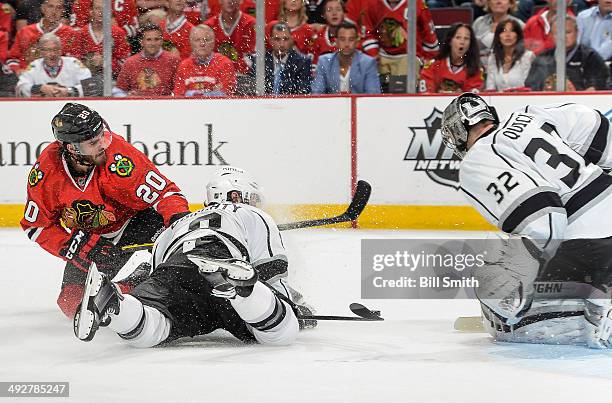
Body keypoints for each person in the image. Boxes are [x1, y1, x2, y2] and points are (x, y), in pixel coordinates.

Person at [440, 93, 612, 348]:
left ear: (456, 132)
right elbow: (598, 129)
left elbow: (546, 221)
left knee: (498, 268)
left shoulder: (476, 161)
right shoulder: (530, 114)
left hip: (591, 245)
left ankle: (597, 307)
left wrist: (516, 291)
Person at [73, 170, 300, 348]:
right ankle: (243, 292)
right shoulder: (251, 214)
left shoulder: (174, 226)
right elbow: (272, 269)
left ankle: (117, 305)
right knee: (281, 332)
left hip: (174, 267)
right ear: (236, 195)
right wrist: (291, 306)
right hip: (220, 256)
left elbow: (158, 272)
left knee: (153, 327)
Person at [20, 102, 190, 319]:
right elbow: (36, 226)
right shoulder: (47, 172)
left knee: (168, 270)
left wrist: (180, 222)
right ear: (72, 148)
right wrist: (76, 247)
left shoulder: (119, 157)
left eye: (103, 135)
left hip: (137, 223)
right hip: (89, 238)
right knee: (71, 303)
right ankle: (125, 295)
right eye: (93, 142)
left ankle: (140, 289)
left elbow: (165, 193)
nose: (103, 144)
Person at [525, 15, 608, 91]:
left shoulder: (590, 57)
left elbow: (598, 87)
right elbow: (530, 86)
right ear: (550, 35)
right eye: (558, 33)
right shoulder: (542, 57)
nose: (563, 37)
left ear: (577, 32)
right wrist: (545, 88)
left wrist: (575, 93)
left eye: (568, 32)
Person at [6, 0, 77, 74]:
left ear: (63, 11)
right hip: (28, 77)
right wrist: (18, 71)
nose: (54, 11)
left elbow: (74, 61)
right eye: (50, 6)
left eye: (59, 8)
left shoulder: (70, 33)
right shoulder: (25, 31)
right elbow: (12, 59)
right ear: (43, 9)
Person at [113, 23, 181, 97]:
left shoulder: (174, 60)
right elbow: (118, 90)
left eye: (156, 39)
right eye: (149, 39)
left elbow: (180, 90)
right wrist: (127, 97)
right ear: (141, 42)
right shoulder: (130, 62)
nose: (153, 43)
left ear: (162, 41)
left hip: (165, 105)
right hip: (137, 106)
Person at [312, 21, 380, 94]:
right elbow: (316, 94)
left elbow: (373, 95)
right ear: (336, 41)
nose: (347, 44)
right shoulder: (324, 62)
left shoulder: (368, 63)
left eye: (351, 40)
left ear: (357, 42)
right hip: (331, 105)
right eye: (342, 39)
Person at [16, 33, 92, 97]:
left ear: (60, 50)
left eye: (55, 49)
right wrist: (39, 88)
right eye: (48, 50)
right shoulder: (34, 66)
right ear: (41, 52)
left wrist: (69, 91)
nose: (52, 54)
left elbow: (90, 85)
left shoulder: (73, 63)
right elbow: (20, 88)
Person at [72, 0, 131, 78]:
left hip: (112, 80)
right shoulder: (81, 33)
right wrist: (89, 62)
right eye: (97, 8)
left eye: (104, 8)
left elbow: (125, 63)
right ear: (91, 12)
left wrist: (105, 62)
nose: (101, 12)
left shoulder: (118, 33)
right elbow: (74, 61)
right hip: (86, 80)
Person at [173, 24, 236, 97]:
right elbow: (178, 97)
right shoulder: (183, 66)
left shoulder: (225, 63)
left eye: (206, 40)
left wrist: (191, 93)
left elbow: (226, 94)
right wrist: (211, 92)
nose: (202, 44)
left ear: (213, 43)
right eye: (197, 40)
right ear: (191, 43)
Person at [419, 23, 483, 93]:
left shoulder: (475, 70)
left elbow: (473, 98)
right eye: (458, 37)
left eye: (466, 38)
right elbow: (426, 95)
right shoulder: (433, 65)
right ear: (450, 41)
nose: (462, 42)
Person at [250, 22, 311, 95]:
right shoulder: (259, 61)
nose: (282, 44)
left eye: (285, 39)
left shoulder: (302, 62)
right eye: (277, 39)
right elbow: (253, 90)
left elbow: (303, 92)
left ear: (291, 40)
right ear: (271, 41)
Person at [485, 18, 535, 91]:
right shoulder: (493, 58)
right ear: (498, 36)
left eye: (512, 31)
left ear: (518, 35)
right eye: (504, 31)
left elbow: (529, 87)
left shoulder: (528, 56)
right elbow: (490, 88)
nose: (508, 35)